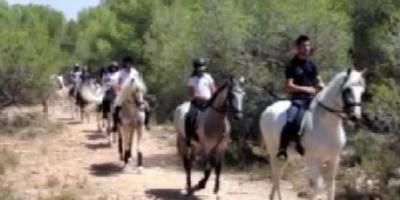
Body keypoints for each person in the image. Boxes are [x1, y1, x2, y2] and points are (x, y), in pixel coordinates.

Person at [276, 35, 325, 161]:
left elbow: (318, 80)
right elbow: (288, 86)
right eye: (304, 45)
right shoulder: (292, 65)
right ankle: (282, 148)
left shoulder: (312, 65)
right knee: (292, 120)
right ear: (298, 48)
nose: (307, 48)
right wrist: (306, 89)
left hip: (313, 99)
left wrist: (321, 85)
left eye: (308, 45)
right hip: (298, 99)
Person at [185, 57, 216, 147]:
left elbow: (213, 88)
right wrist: (197, 96)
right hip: (197, 102)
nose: (201, 70)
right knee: (190, 116)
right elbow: (191, 92)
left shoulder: (208, 77)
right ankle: (189, 137)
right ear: (196, 68)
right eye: (199, 68)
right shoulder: (192, 79)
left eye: (203, 67)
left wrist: (214, 95)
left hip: (209, 102)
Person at [111, 56, 142, 132]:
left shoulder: (135, 72)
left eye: (130, 62)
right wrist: (119, 87)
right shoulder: (121, 73)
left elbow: (138, 82)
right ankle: (115, 124)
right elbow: (119, 82)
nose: (128, 64)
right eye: (127, 63)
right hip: (123, 92)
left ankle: (142, 122)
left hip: (133, 91)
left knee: (143, 104)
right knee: (116, 106)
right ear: (125, 63)